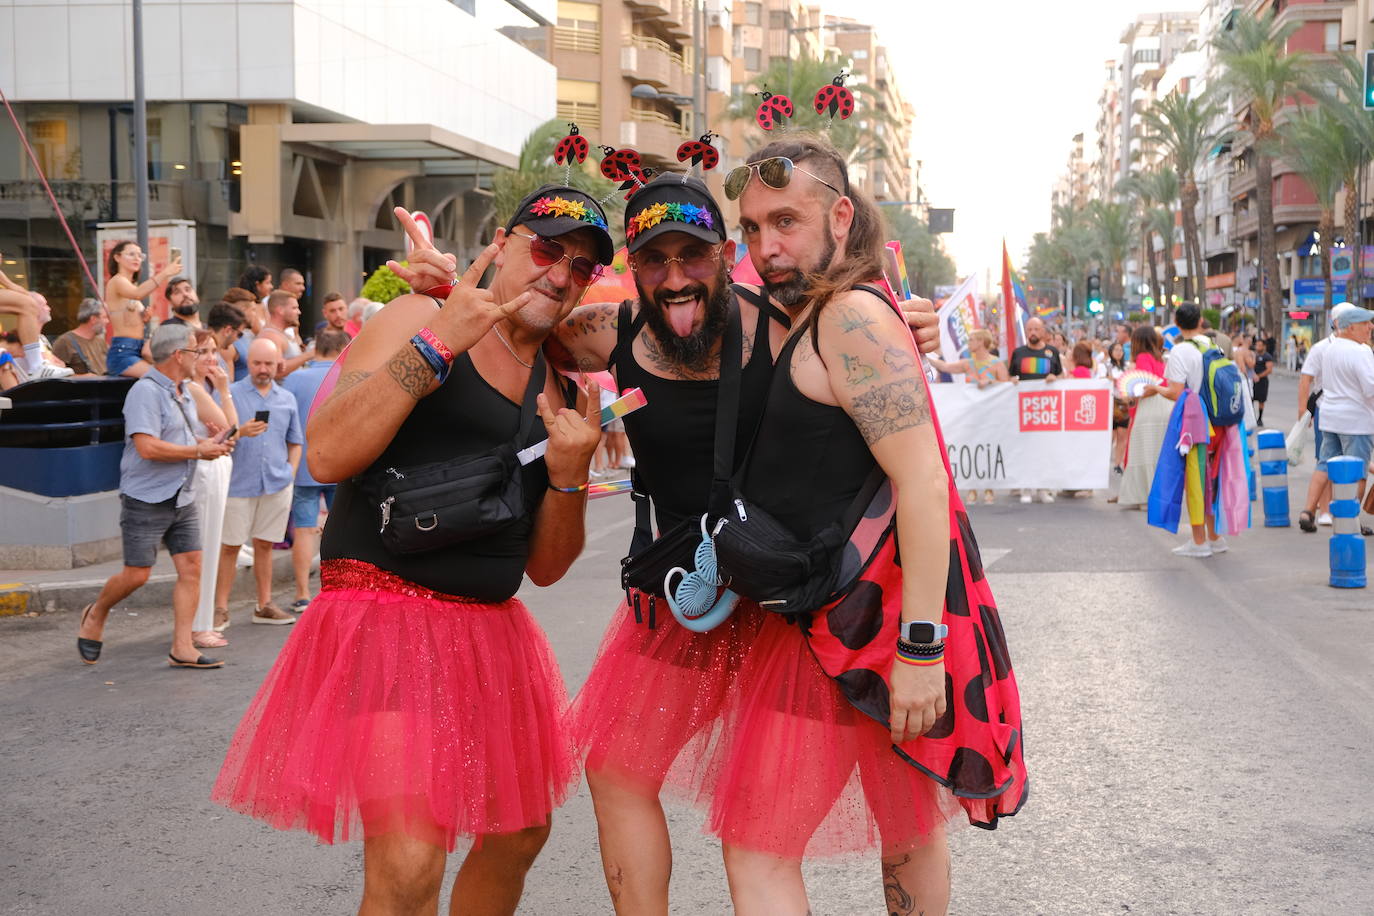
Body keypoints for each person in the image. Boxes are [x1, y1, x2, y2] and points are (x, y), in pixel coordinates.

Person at [213, 185, 608, 916]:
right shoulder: (420, 314)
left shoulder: (558, 387)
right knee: (408, 864)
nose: (560, 273)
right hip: (385, 621)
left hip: (490, 637)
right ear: (504, 241)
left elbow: (546, 568)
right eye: (548, 249)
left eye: (581, 266)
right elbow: (327, 453)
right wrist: (436, 344)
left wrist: (569, 478)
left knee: (520, 832)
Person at [711, 133, 1026, 914]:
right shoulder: (829, 310)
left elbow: (921, 481)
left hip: (857, 633)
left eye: (784, 221)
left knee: (760, 846)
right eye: (752, 229)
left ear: (842, 216)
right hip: (844, 623)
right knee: (909, 829)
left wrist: (921, 650)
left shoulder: (849, 317)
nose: (767, 245)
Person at [75, 323, 233, 669]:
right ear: (178, 355)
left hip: (183, 494)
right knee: (137, 574)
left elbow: (188, 438)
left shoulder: (185, 391)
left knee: (191, 567)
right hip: (147, 497)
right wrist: (197, 451)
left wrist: (213, 445)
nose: (200, 357)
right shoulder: (144, 392)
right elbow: (146, 448)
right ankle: (97, 611)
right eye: (194, 351)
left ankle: (182, 647)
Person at [212, 338, 303, 628]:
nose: (262, 369)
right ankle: (219, 608)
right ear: (248, 362)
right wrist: (240, 432)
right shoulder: (231, 394)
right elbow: (215, 436)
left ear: (279, 364)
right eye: (256, 363)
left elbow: (296, 441)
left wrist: (291, 472)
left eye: (268, 363)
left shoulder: (286, 398)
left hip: (276, 483)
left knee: (265, 545)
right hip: (237, 483)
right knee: (230, 547)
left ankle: (264, 604)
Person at [1147, 304, 1229, 557]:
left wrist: (1154, 389)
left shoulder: (1181, 350)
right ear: (1201, 320)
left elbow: (1175, 391)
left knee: (1195, 480)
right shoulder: (1212, 345)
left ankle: (1199, 541)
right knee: (1211, 481)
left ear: (1176, 322)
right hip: (1219, 420)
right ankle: (1215, 537)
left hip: (1196, 422)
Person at [279, 327, 348, 612]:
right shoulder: (346, 375)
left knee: (305, 530)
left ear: (316, 347)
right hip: (342, 463)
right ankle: (338, 588)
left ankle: (303, 593)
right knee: (340, 528)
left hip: (305, 464)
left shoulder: (294, 379)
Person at [185, 329, 241, 649]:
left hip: (216, 466)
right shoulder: (196, 389)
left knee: (210, 546)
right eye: (203, 351)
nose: (210, 358)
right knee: (204, 548)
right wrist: (224, 390)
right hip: (205, 471)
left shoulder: (200, 387)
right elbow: (232, 429)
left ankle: (200, 623)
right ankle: (199, 625)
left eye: (213, 351)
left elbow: (228, 432)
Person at [1300, 306, 1374, 532]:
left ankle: (1308, 510)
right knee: (1357, 471)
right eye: (1366, 324)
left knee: (1325, 464)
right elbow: (1370, 388)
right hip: (1356, 420)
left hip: (1330, 416)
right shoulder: (1361, 351)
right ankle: (1348, 520)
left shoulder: (1329, 349)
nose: (1370, 328)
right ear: (1351, 327)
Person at [925, 328, 1008, 505]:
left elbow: (1006, 386)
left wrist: (991, 382)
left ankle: (989, 488)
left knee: (988, 450)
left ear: (981, 342)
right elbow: (945, 367)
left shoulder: (996, 364)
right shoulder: (967, 363)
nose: (969, 343)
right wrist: (924, 356)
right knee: (972, 447)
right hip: (971, 415)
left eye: (971, 340)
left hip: (991, 416)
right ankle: (972, 489)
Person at [104, 240, 183, 378]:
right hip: (123, 351)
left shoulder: (128, 284)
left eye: (140, 256)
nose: (137, 258)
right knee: (162, 378)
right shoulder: (117, 281)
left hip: (137, 348)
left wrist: (143, 319)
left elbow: (128, 314)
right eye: (131, 254)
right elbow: (138, 293)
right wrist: (165, 273)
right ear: (117, 257)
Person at [1009, 316, 1061, 504]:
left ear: (1043, 332)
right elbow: (1010, 377)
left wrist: (1055, 378)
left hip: (1046, 412)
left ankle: (1043, 488)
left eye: (1036, 329)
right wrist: (1013, 381)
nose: (1032, 332)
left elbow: (1061, 376)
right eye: (1029, 329)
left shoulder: (1052, 352)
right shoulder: (1018, 353)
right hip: (1025, 412)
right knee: (1025, 450)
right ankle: (1026, 487)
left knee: (1044, 451)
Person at [1117, 325, 1170, 508]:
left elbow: (1146, 386)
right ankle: (1155, 495)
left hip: (1149, 407)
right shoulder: (1159, 358)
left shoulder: (1142, 358)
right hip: (1164, 404)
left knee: (1143, 452)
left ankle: (1144, 496)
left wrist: (1132, 396)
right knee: (1156, 451)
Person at [0, 265, 74, 380]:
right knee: (27, 303)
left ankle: (37, 366)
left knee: (27, 303)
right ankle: (36, 366)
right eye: (44, 305)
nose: (49, 308)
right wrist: (9, 285)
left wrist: (9, 284)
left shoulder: (41, 338)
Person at [258, 289, 313, 376]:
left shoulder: (281, 334)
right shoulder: (271, 336)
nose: (299, 312)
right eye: (294, 308)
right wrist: (308, 355)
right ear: (280, 310)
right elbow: (276, 372)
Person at [51, 297, 110, 376]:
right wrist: (81, 377)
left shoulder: (101, 342)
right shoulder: (65, 341)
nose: (107, 321)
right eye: (105, 317)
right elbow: (54, 375)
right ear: (93, 319)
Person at [1252, 336, 1274, 426]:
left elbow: (1269, 370)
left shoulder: (1267, 356)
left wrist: (1259, 376)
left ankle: (1260, 418)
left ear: (1264, 346)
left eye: (1260, 345)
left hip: (1262, 381)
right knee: (1251, 399)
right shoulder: (1253, 355)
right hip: (1252, 380)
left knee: (1261, 400)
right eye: (1257, 345)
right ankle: (1251, 417)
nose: (1258, 347)